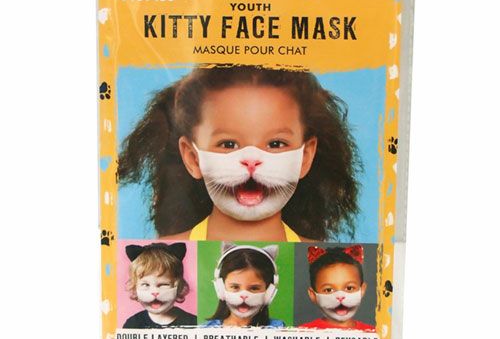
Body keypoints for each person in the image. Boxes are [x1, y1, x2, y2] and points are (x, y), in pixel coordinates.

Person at [118, 65, 360, 242]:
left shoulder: (325, 263)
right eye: (228, 144)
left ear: (305, 157)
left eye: (276, 143)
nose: (251, 160)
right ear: (193, 158)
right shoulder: (155, 260)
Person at [204, 242, 284, 328]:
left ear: (269, 292)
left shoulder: (278, 328)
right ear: (221, 288)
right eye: (235, 287)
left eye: (254, 288)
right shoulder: (205, 330)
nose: (244, 295)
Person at [299, 245, 375, 330]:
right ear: (313, 295)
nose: (340, 296)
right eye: (328, 290)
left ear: (362, 290)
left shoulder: (373, 334)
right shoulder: (303, 333)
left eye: (349, 288)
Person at [123, 242, 196, 328]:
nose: (154, 292)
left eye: (163, 284)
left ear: (178, 286)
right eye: (146, 285)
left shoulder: (192, 323)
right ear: (135, 287)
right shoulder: (133, 324)